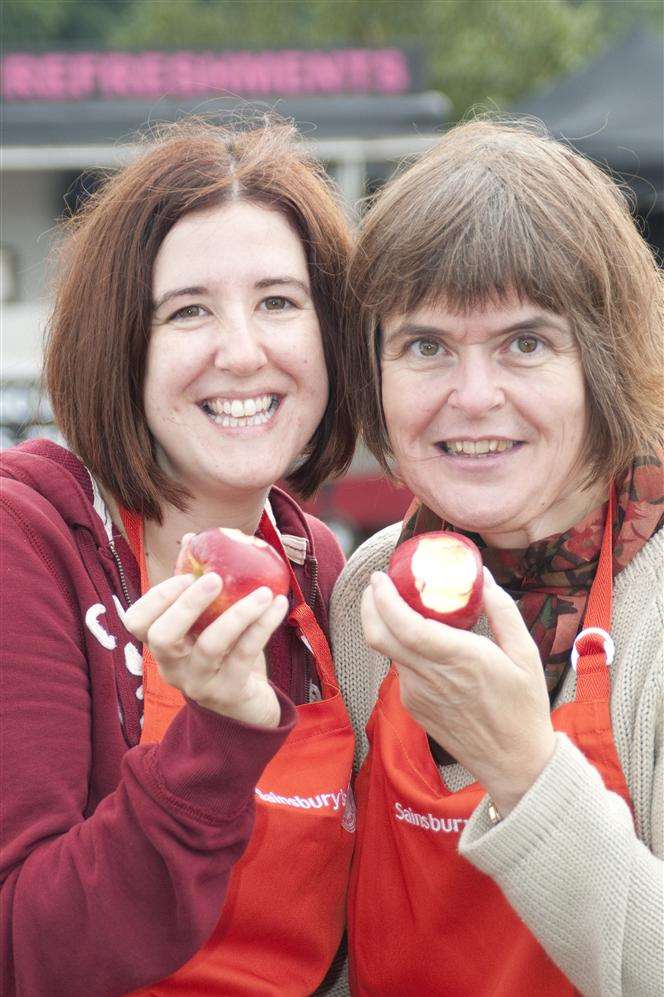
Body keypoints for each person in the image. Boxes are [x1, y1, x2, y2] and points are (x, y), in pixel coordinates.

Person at [1, 118, 357, 996]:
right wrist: (220, 735)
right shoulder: (26, 539)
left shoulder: (319, 565)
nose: (243, 352)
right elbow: (26, 952)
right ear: (123, 343)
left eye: (279, 301)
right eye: (189, 310)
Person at [331, 119, 663, 996]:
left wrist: (525, 771)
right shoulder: (365, 592)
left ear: (605, 362)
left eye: (526, 342)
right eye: (426, 345)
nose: (473, 398)